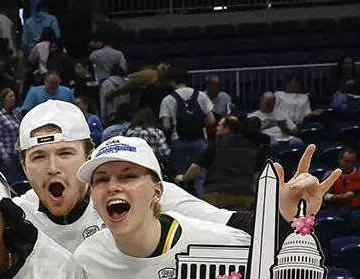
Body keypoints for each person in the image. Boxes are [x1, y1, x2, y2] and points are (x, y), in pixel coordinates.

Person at [72, 135, 249, 279]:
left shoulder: (221, 244)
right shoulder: (87, 259)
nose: (113, 187)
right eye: (101, 180)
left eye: (127, 177)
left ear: (157, 192)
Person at [13, 100, 236, 252]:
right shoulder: (13, 217)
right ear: (24, 167)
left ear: (89, 156)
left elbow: (229, 223)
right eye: (39, 157)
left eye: (65, 153)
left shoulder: (138, 193)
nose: (53, 168)